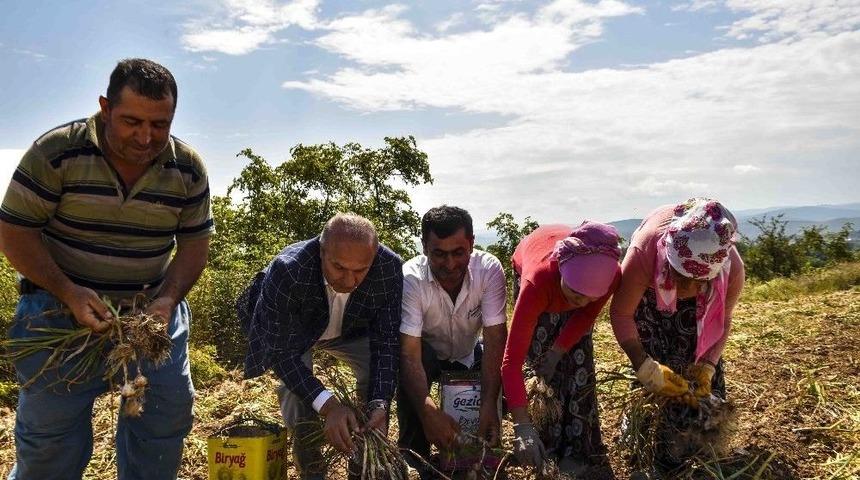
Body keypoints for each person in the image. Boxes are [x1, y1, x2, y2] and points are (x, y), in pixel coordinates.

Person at [0, 58, 212, 479]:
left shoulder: (186, 168)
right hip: (58, 311)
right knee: (50, 445)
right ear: (104, 107)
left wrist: (167, 301)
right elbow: (14, 233)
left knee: (161, 425)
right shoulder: (57, 152)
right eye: (132, 121)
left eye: (160, 123)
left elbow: (193, 246)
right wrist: (68, 291)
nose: (146, 136)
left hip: (150, 314)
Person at [241, 213, 403, 480]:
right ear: (321, 252)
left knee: (376, 373)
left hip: (350, 331)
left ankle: (363, 462)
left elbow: (386, 341)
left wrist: (380, 403)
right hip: (296, 334)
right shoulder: (288, 270)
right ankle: (310, 466)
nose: (350, 281)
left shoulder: (389, 267)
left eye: (360, 271)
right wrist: (329, 406)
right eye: (339, 268)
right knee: (296, 394)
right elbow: (281, 354)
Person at [609, 198, 745, 468]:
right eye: (680, 279)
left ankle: (702, 446)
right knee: (657, 365)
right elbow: (621, 314)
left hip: (703, 308)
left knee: (697, 373)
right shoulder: (645, 251)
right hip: (650, 297)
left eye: (696, 283)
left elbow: (724, 319)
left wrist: (708, 365)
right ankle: (647, 439)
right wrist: (644, 365)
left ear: (710, 276)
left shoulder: (731, 268)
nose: (685, 290)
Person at [501, 221, 622, 475]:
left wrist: (559, 350)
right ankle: (543, 441)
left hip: (567, 282)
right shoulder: (537, 283)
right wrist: (521, 426)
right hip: (539, 271)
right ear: (564, 273)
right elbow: (512, 361)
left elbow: (585, 316)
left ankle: (578, 447)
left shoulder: (610, 277)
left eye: (590, 297)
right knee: (538, 360)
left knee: (579, 358)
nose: (581, 302)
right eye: (576, 294)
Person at [397, 206, 508, 476]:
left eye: (459, 253)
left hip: (470, 354)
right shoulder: (410, 278)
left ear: (471, 244)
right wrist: (427, 413)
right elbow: (409, 354)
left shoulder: (489, 270)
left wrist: (488, 404)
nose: (450, 264)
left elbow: (495, 338)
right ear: (424, 247)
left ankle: (482, 456)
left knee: (491, 401)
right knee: (413, 373)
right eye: (439, 254)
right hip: (428, 357)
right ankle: (415, 457)